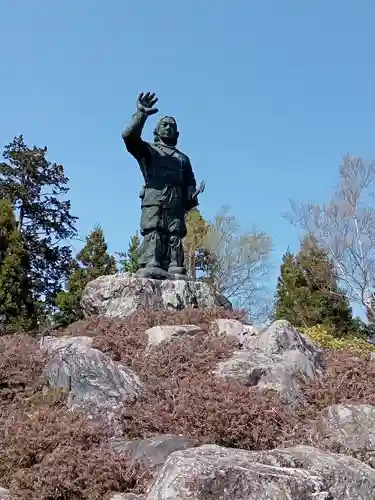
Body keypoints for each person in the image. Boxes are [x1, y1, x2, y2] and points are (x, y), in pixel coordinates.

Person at [122, 92, 198, 277]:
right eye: (164, 125)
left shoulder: (183, 159)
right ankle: (152, 260)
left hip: (176, 203)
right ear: (155, 131)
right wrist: (141, 115)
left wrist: (191, 194)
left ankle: (174, 264)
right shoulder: (149, 150)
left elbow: (190, 182)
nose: (168, 128)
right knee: (153, 229)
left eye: (172, 126)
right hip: (154, 199)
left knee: (175, 233)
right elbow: (128, 137)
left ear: (177, 134)